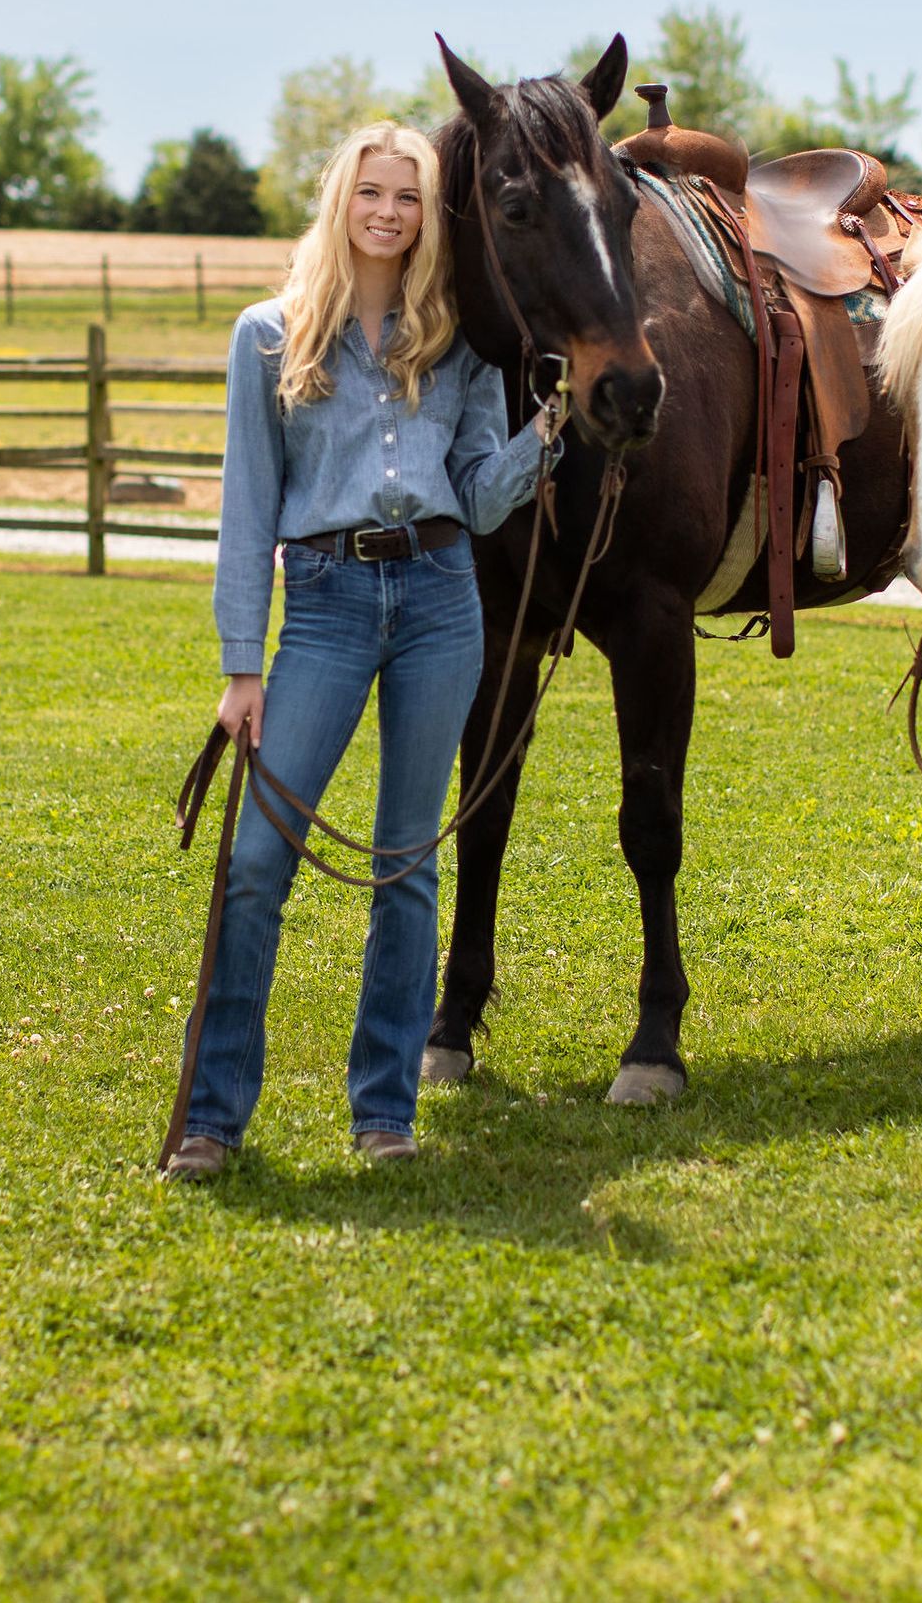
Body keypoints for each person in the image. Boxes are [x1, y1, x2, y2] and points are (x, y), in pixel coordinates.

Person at [165, 120, 564, 1179]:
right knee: (256, 861)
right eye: (370, 193)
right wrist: (240, 666)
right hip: (329, 604)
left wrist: (547, 430)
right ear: (340, 201)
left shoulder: (460, 345)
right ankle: (211, 1119)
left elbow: (479, 499)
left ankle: (382, 1112)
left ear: (430, 217)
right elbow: (248, 513)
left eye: (409, 197)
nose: (388, 213)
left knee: (405, 867)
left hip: (440, 599)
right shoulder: (269, 335)